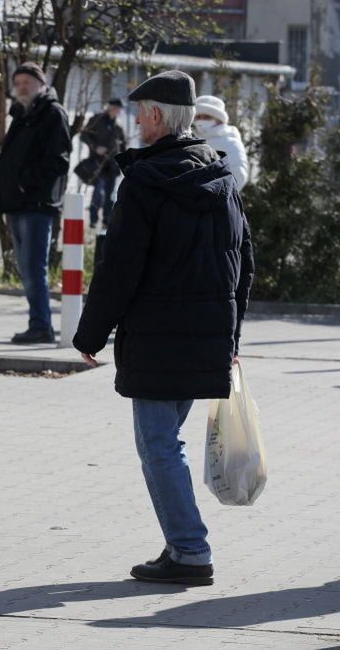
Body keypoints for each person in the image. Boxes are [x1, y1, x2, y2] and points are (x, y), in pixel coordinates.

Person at [73, 70, 255, 586]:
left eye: (140, 112)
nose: (135, 121)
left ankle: (191, 551)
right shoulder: (220, 178)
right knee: (164, 439)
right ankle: (182, 545)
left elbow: (120, 267)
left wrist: (90, 334)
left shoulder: (145, 182)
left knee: (157, 444)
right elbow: (243, 261)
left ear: (155, 116)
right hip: (204, 336)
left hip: (156, 338)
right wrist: (232, 336)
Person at [0, 62, 72, 345]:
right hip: (19, 202)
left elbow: (58, 159)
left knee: (32, 265)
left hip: (37, 202)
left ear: (41, 83)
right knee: (26, 267)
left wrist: (26, 182)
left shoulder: (51, 113)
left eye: (28, 81)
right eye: (19, 82)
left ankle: (41, 326)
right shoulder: (23, 114)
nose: (23, 86)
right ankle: (38, 323)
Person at [80, 97, 126, 228]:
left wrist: (125, 164)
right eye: (115, 108)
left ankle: (107, 220)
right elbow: (84, 135)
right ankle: (93, 221)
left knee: (110, 194)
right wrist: (95, 147)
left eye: (119, 109)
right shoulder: (97, 119)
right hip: (97, 163)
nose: (117, 111)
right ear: (109, 107)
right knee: (98, 192)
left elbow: (123, 146)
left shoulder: (118, 125)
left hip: (112, 165)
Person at [193, 94, 250, 190]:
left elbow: (239, 175)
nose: (201, 120)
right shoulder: (190, 139)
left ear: (218, 120)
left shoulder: (231, 143)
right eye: (198, 117)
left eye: (206, 117)